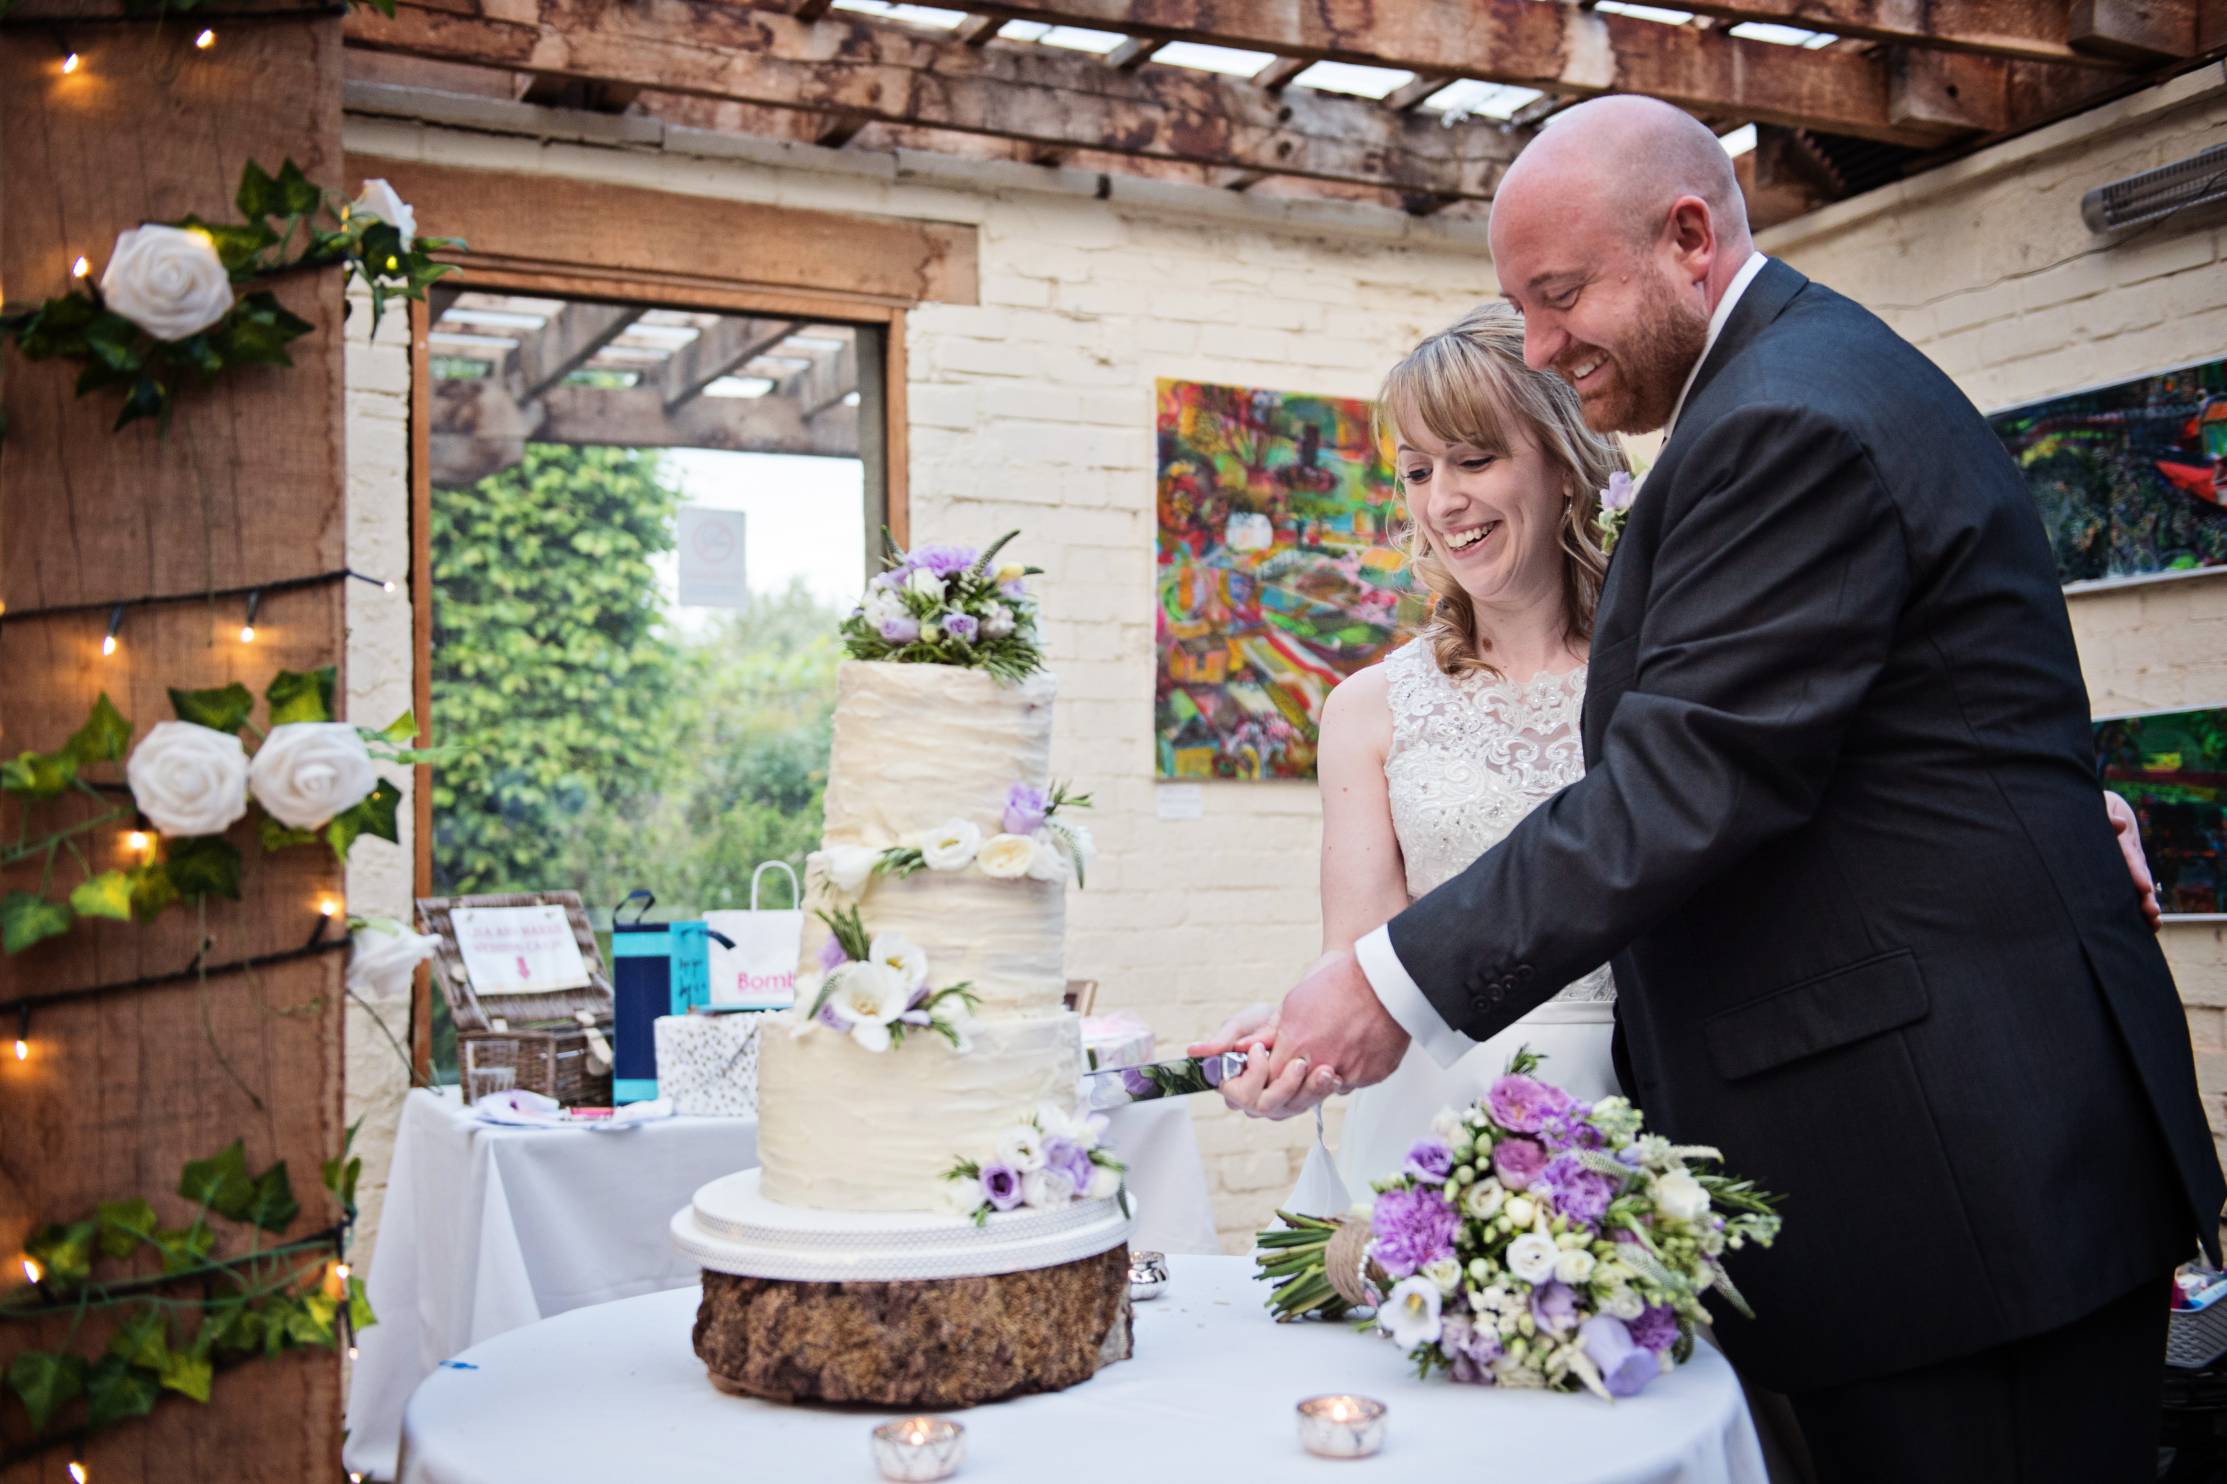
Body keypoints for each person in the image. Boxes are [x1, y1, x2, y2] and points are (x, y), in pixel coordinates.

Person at [1216, 94, 2220, 1483]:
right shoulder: (1795, 387)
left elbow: (1688, 779)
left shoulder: (1782, 419)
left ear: (1688, 237)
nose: (1544, 347)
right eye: (1521, 307)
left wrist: (1384, 982)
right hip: (1912, 1174)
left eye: (1559, 298)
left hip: (1955, 1184)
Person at [1204, 304, 1628, 1199]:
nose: (1442, 503)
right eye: (1417, 472)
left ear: (1563, 464)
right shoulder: (1367, 709)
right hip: (1433, 1127)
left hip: (1645, 1099)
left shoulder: (1659, 679)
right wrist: (1294, 1040)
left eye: (1475, 460)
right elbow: (1353, 954)